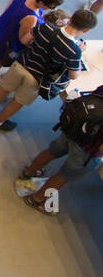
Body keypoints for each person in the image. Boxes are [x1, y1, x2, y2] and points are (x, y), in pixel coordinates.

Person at [0, 9, 96, 131]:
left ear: (71, 18)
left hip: (22, 64)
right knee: (18, 101)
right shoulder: (75, 51)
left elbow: (25, 40)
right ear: (86, 30)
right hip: (37, 80)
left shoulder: (45, 28)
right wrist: (80, 53)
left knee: (3, 88)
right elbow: (73, 75)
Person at [20, 84, 103, 214]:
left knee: (51, 152)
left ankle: (28, 173)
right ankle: (37, 199)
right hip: (86, 150)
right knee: (64, 175)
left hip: (73, 130)